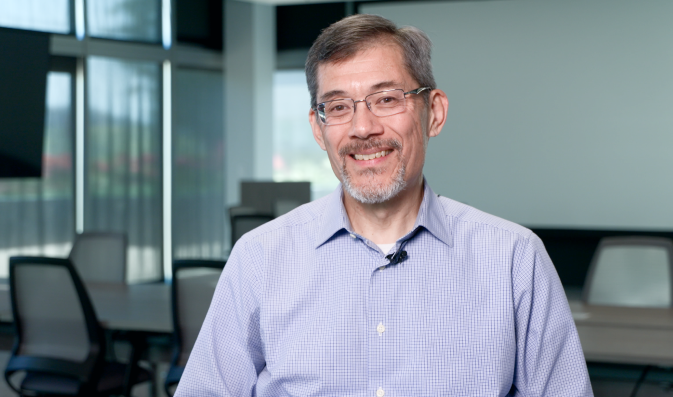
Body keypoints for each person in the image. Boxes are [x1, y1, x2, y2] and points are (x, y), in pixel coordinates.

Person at [175, 14, 593, 397]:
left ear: (434, 112)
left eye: (387, 99)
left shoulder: (514, 259)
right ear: (318, 130)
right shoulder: (259, 258)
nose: (362, 128)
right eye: (338, 107)